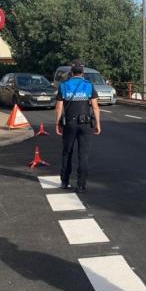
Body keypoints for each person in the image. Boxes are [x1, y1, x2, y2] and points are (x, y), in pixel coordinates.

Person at [55, 59, 101, 193]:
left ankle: (64, 181)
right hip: (86, 124)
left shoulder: (64, 85)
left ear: (71, 71)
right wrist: (97, 124)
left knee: (67, 153)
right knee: (83, 155)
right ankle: (81, 185)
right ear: (82, 71)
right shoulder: (88, 85)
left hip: (69, 124)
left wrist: (57, 123)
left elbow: (58, 107)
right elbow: (95, 107)